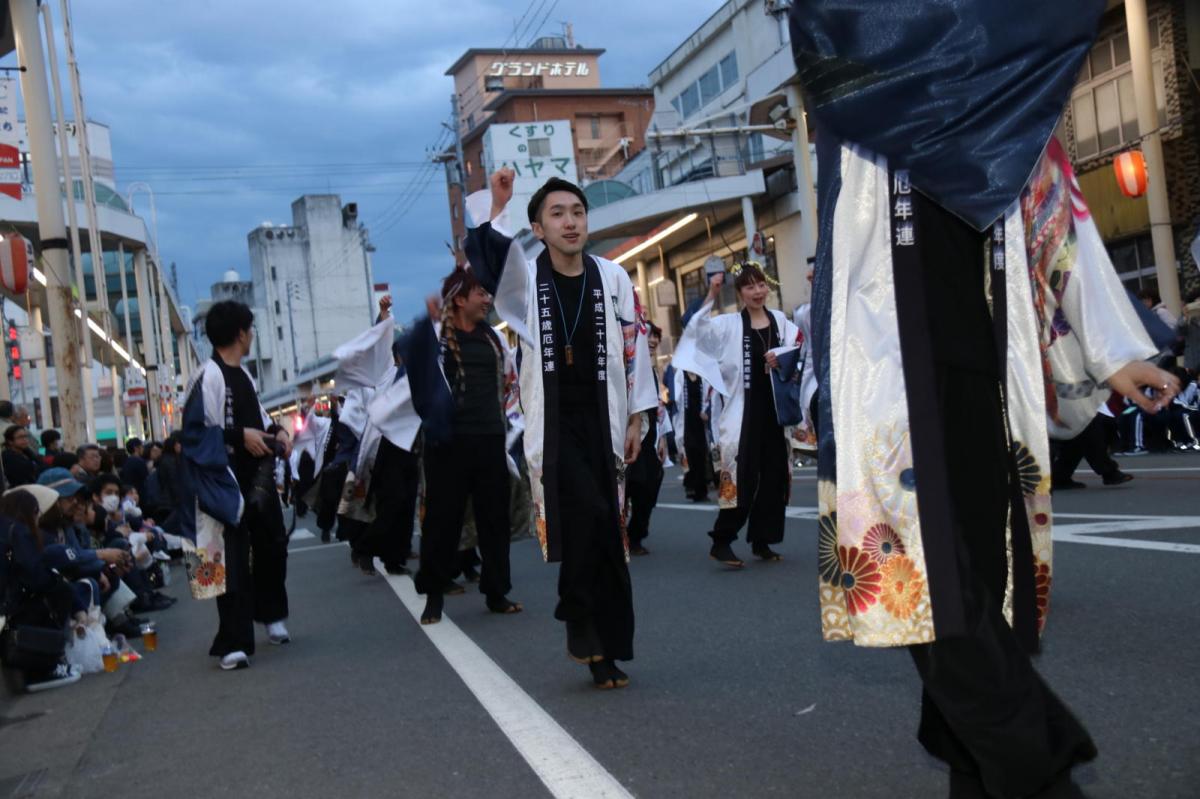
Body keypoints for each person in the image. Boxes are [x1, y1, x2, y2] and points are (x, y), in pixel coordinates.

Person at [788, 3, 1182, 796]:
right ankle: (1039, 762)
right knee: (928, 591)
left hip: (983, 363)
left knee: (977, 582)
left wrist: (1113, 349)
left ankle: (982, 771)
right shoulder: (853, 52)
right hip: (885, 368)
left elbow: (1052, 208)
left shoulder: (987, 81)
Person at [463, 168, 658, 689]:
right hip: (554, 427)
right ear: (539, 227)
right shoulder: (525, 280)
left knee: (608, 537)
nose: (570, 223)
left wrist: (638, 416)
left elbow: (635, 348)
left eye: (577, 212)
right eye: (557, 214)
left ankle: (605, 650)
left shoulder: (612, 277)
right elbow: (484, 259)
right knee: (591, 517)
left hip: (605, 417)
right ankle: (578, 614)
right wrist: (496, 207)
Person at [407, 267, 523, 623]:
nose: (487, 299)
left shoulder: (493, 338)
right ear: (459, 299)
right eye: (480, 294)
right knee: (443, 521)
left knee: (494, 520)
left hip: (489, 439)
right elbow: (414, 370)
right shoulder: (437, 337)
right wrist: (424, 325)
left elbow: (510, 383)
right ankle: (433, 596)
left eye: (488, 294)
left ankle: (496, 591)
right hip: (448, 445)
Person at [182, 300, 292, 671]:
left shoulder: (244, 376)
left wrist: (278, 431)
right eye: (251, 329)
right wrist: (238, 435)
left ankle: (272, 614)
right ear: (241, 333)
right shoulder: (206, 375)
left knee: (273, 547)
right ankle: (233, 641)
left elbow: (259, 420)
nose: (252, 336)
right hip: (220, 484)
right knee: (227, 563)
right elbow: (193, 435)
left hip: (256, 480)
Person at [674, 263, 801, 567]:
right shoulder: (728, 324)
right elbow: (693, 326)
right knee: (741, 479)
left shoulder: (781, 322)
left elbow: (798, 352)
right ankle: (722, 540)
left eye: (761, 285)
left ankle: (762, 540)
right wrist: (711, 293)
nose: (757, 292)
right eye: (749, 287)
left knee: (774, 479)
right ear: (740, 293)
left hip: (775, 415)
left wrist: (781, 359)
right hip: (742, 415)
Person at [626, 323, 667, 556]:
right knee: (629, 484)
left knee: (650, 484)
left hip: (649, 437)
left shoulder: (651, 370)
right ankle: (622, 535)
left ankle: (636, 533)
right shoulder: (627, 366)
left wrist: (662, 438)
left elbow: (659, 407)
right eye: (647, 336)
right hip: (629, 435)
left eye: (655, 337)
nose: (652, 341)